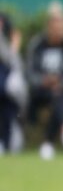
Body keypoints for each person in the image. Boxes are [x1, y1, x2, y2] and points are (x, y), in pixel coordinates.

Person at [26, 1, 63, 160]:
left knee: (61, 95)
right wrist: (43, 81)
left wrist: (62, 82)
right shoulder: (37, 45)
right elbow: (30, 72)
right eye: (54, 26)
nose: (58, 30)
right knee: (56, 95)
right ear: (48, 26)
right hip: (41, 91)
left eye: (61, 25)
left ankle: (49, 143)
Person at [0, 13, 28, 154]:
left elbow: (15, 64)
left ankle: (7, 142)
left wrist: (14, 46)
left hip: (8, 93)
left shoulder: (7, 35)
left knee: (9, 111)